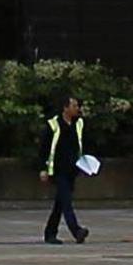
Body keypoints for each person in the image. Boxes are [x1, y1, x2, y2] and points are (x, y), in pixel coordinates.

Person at [40, 93, 88, 244]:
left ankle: (50, 233)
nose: (77, 108)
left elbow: (81, 144)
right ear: (65, 108)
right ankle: (76, 231)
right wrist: (43, 168)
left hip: (72, 170)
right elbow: (44, 148)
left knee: (60, 203)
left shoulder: (78, 124)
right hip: (57, 170)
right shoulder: (53, 124)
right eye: (74, 106)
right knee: (66, 201)